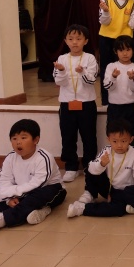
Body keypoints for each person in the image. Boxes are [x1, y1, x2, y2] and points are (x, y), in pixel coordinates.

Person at [0, 119, 67, 234]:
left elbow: (38, 184)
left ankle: (2, 219)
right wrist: (8, 199)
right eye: (14, 139)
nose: (18, 142)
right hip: (20, 193)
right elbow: (4, 180)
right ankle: (40, 210)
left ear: (36, 140)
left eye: (23, 138)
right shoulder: (10, 157)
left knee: (37, 196)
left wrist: (16, 195)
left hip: (49, 190)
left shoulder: (44, 157)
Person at [67, 119, 134, 218]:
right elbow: (91, 169)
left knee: (119, 210)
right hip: (108, 188)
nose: (119, 145)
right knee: (92, 167)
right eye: (115, 141)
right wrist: (101, 164)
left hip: (125, 192)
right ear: (109, 139)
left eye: (124, 141)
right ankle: (90, 194)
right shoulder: (107, 150)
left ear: (131, 139)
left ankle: (82, 208)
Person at [53, 24, 98, 183]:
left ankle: (89, 165)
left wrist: (82, 71)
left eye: (78, 39)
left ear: (85, 41)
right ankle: (71, 167)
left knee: (89, 136)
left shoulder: (90, 58)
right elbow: (59, 82)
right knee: (68, 136)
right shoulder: (62, 59)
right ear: (65, 41)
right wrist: (61, 70)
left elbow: (91, 80)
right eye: (71, 39)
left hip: (86, 103)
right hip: (67, 103)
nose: (74, 42)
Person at [98, 0, 134, 106]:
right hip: (106, 38)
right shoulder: (106, 0)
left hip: (125, 41)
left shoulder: (133, 3)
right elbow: (104, 21)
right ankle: (106, 100)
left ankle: (123, 98)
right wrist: (106, 11)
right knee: (106, 68)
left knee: (124, 68)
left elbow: (133, 24)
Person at [102, 35, 134, 151]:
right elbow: (107, 86)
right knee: (115, 136)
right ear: (116, 51)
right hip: (115, 107)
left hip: (132, 107)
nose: (125, 53)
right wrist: (113, 76)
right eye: (121, 50)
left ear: (133, 51)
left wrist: (132, 78)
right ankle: (116, 160)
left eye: (128, 49)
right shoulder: (111, 66)